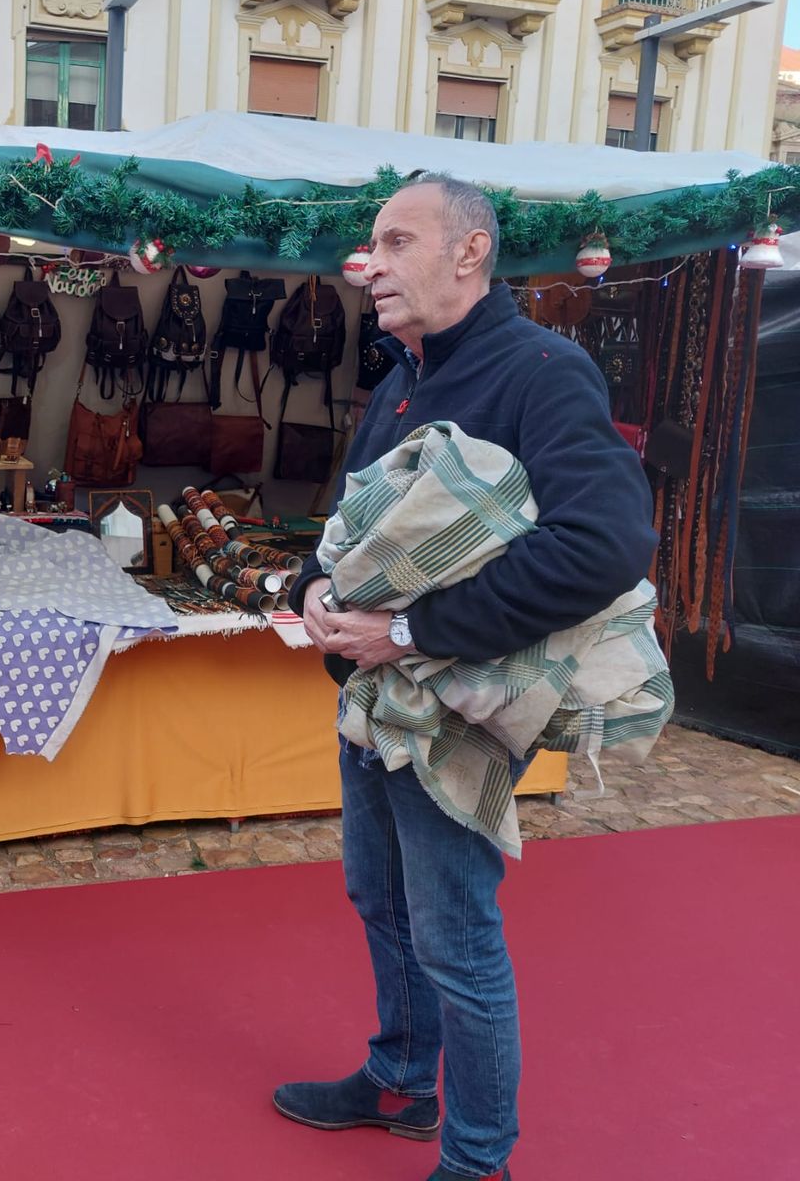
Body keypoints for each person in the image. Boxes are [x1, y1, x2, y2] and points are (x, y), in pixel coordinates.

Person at [278, 176, 658, 1180]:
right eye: (372, 244)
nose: (371, 266)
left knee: (454, 934)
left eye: (398, 241)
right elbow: (352, 530)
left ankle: (478, 1156)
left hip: (457, 708)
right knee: (379, 898)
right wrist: (316, 588)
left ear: (470, 252)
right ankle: (401, 1079)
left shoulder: (540, 369)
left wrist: (410, 626)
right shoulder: (402, 375)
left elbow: (606, 541)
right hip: (374, 702)